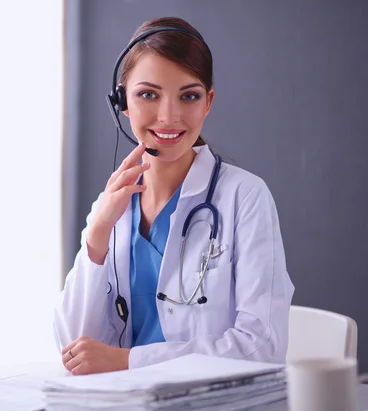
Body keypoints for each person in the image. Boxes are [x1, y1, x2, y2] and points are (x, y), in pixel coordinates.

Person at [53, 16, 295, 376]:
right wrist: (98, 235)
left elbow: (262, 347)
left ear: (208, 101)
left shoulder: (244, 197)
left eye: (189, 96)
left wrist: (128, 361)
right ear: (122, 101)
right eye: (148, 94)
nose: (169, 117)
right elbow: (72, 349)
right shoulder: (111, 208)